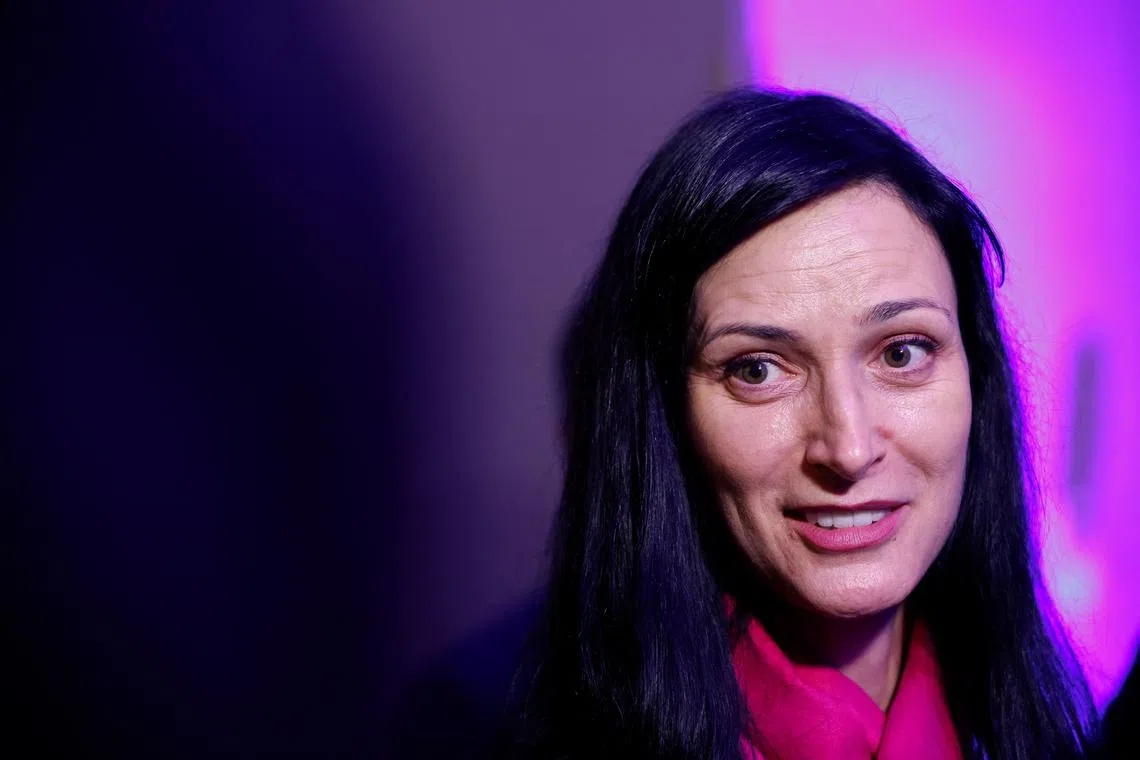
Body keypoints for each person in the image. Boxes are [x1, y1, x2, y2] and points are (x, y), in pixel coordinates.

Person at [501, 88, 1099, 759]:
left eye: (902, 353)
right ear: (664, 416)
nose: (847, 447)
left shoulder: (1035, 731)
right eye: (758, 370)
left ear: (976, 377)